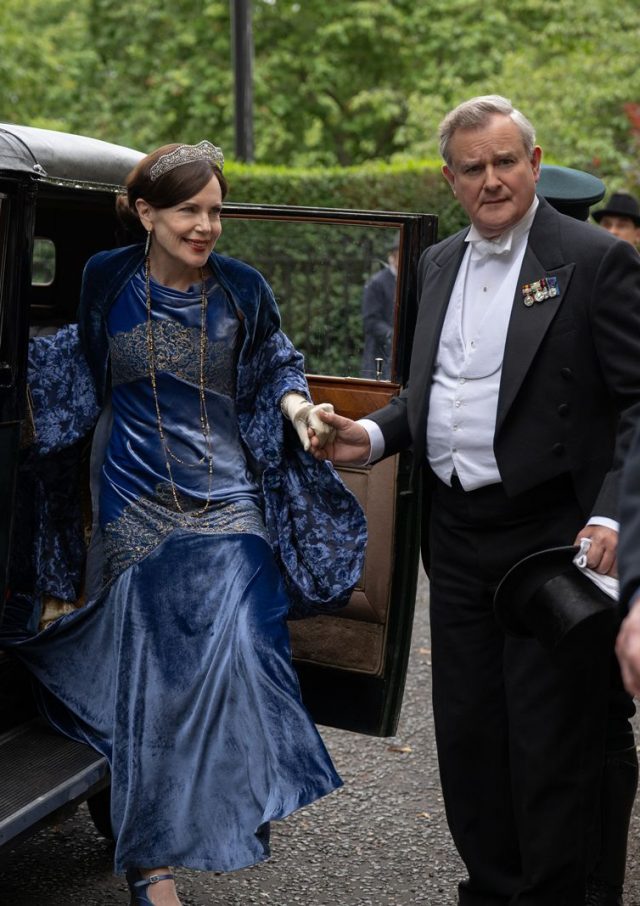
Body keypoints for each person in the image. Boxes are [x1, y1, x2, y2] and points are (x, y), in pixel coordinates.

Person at [3, 141, 367, 906]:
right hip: (131, 498)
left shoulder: (242, 287)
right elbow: (77, 361)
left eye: (215, 211)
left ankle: (226, 795)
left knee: (248, 641)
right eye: (188, 211)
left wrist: (302, 412)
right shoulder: (105, 279)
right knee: (152, 672)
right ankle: (152, 867)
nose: (206, 226)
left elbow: (276, 365)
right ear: (146, 214)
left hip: (228, 496)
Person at [308, 95, 640, 905]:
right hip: (456, 540)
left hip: (553, 540)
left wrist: (612, 514)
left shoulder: (595, 259)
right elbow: (435, 393)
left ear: (534, 163)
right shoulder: (435, 264)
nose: (491, 180)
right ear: (449, 178)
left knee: (553, 743)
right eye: (472, 167)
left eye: (505, 162)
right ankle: (490, 890)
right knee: (469, 736)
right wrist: (370, 436)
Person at [360, 238, 399, 379]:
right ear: (393, 256)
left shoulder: (408, 280)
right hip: (379, 356)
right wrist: (393, 335)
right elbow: (370, 321)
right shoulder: (377, 282)